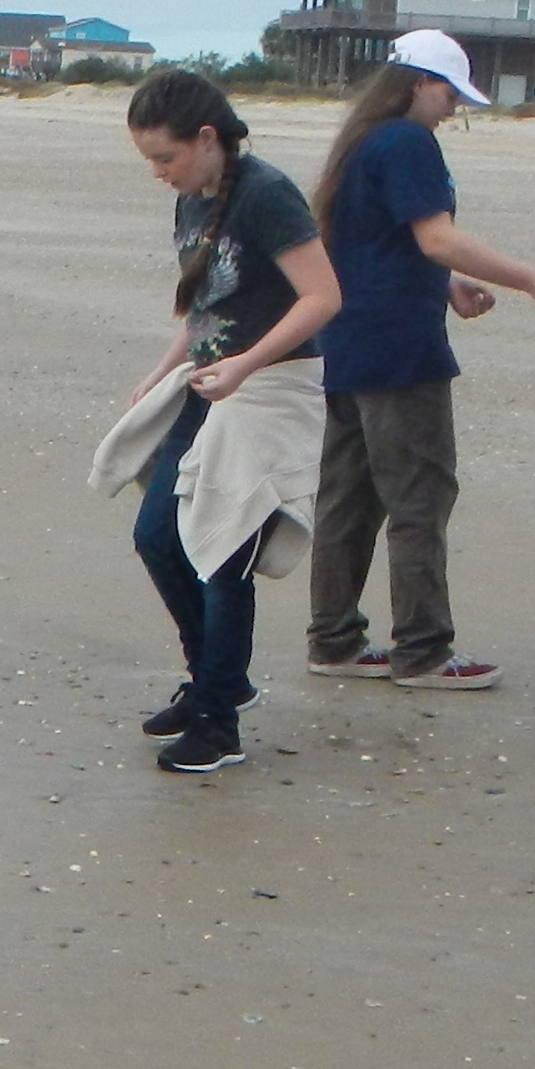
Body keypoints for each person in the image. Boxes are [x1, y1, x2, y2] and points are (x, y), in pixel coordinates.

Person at [299, 30, 535, 692]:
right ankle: (423, 649)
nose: (452, 109)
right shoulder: (406, 142)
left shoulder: (361, 143)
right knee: (418, 498)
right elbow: (436, 237)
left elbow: (371, 243)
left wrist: (445, 286)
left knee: (348, 497)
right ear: (419, 85)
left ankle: (334, 637)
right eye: (449, 94)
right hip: (399, 349)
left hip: (347, 340)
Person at [110, 67, 339, 777]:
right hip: (208, 387)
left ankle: (219, 723)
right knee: (158, 536)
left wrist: (246, 365)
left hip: (272, 389)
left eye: (165, 157)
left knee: (223, 551)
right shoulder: (191, 199)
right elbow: (204, 308)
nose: (158, 172)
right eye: (149, 159)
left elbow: (322, 297)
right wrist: (161, 370)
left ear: (208, 138)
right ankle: (213, 679)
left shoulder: (266, 196)